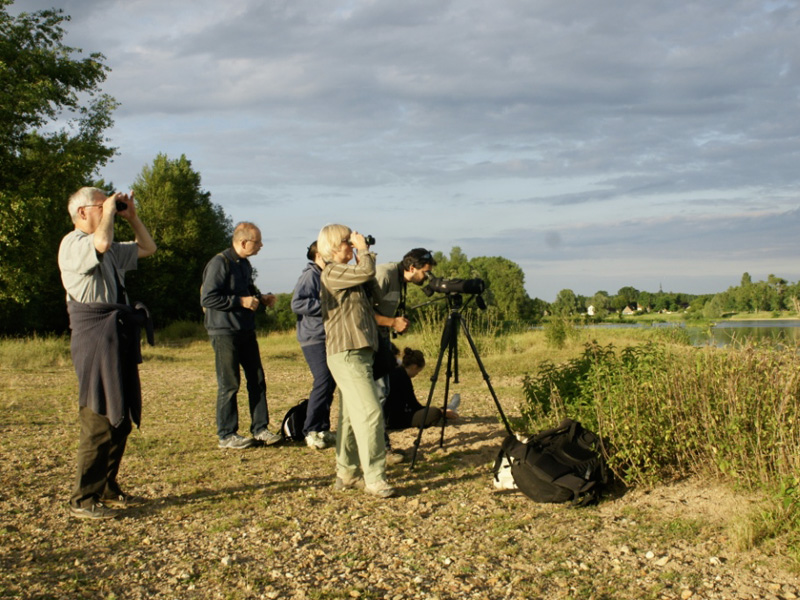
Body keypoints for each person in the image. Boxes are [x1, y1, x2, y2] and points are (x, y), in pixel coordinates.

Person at [58, 186, 157, 519]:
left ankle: (105, 487)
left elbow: (148, 247)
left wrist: (133, 217)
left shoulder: (111, 248)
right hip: (94, 338)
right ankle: (83, 499)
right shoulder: (73, 244)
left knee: (120, 418)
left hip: (118, 336)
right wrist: (111, 213)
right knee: (99, 417)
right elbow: (98, 243)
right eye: (101, 205)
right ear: (82, 212)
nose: (108, 209)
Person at [317, 224, 395, 498]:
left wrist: (364, 256)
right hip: (346, 353)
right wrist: (364, 253)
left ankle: (346, 473)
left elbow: (377, 294)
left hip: (360, 352)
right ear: (335, 246)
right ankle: (375, 478)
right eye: (348, 243)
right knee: (371, 413)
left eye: (352, 243)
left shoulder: (350, 273)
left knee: (351, 417)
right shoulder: (332, 271)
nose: (352, 246)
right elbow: (365, 271)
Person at [201, 222, 282, 449]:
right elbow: (207, 298)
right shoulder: (219, 263)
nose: (261, 245)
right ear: (243, 242)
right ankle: (227, 434)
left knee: (257, 379)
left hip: (245, 329)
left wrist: (261, 297)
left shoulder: (244, 264)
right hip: (224, 331)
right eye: (257, 242)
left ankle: (260, 429)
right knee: (229, 383)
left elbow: (246, 291)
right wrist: (240, 301)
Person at [290, 241, 337, 450]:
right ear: (318, 254)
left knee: (330, 382)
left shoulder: (326, 274)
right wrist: (327, 306)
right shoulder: (310, 275)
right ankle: (310, 430)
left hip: (327, 336)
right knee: (323, 380)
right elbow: (297, 303)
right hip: (313, 337)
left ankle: (323, 428)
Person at [384, 348, 459, 431]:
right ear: (414, 366)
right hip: (395, 419)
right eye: (418, 371)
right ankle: (446, 410)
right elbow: (414, 405)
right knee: (434, 413)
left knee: (432, 411)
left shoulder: (397, 372)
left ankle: (446, 409)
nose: (416, 374)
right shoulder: (403, 377)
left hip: (392, 415)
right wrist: (441, 412)